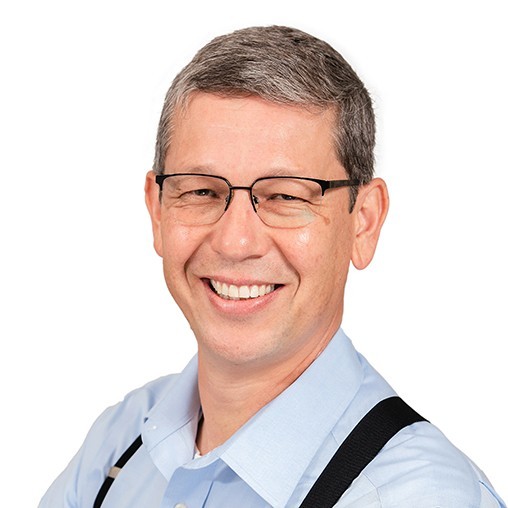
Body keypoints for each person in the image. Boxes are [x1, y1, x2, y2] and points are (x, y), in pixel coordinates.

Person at [39, 25, 505, 508]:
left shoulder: (414, 496)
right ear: (157, 210)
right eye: (201, 190)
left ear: (363, 224)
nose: (236, 242)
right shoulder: (119, 445)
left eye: (285, 195)